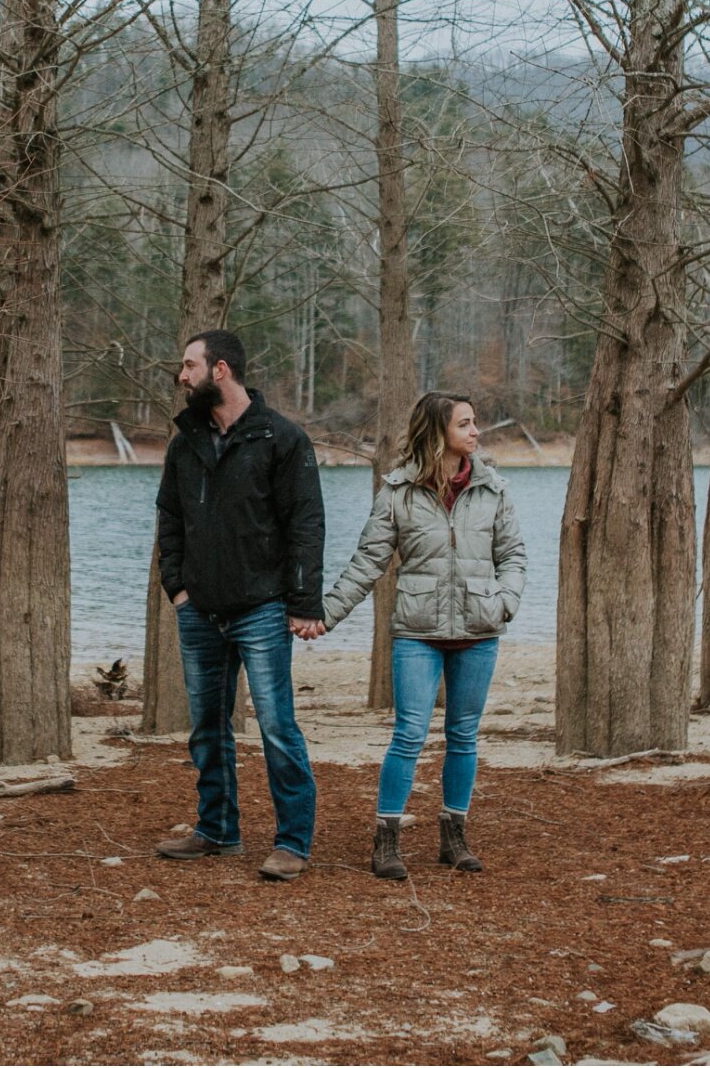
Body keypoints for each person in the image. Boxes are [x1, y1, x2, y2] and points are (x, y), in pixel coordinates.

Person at [315, 391, 525, 881]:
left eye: (476, 423)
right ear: (438, 431)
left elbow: (513, 555)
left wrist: (505, 602)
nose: (476, 432)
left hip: (479, 629)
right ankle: (386, 840)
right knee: (409, 734)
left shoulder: (492, 488)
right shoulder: (398, 493)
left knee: (463, 736)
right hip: (418, 632)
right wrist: (326, 615)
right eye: (466, 424)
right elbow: (368, 562)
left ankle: (454, 836)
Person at [152, 329, 326, 882]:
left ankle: (293, 842)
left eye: (189, 366)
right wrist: (177, 589)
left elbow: (306, 525)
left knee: (277, 727)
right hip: (199, 609)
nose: (182, 376)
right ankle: (217, 830)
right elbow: (170, 519)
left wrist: (302, 602)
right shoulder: (186, 442)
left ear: (220, 370)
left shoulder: (282, 439)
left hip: (262, 608)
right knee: (206, 726)